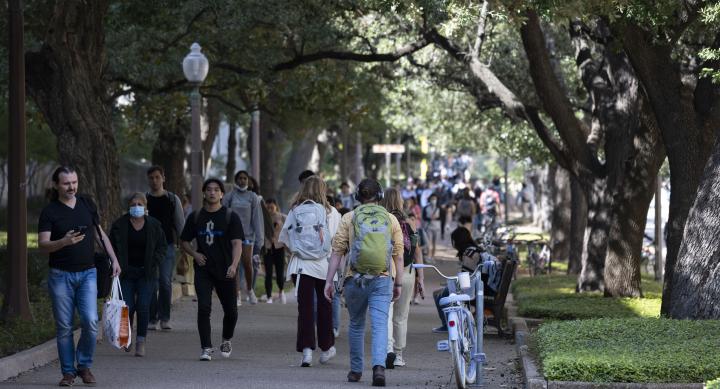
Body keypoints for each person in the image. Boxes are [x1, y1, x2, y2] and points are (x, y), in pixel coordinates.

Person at [38, 166, 121, 386]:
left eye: (74, 182)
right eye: (66, 183)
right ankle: (68, 373)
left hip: (87, 273)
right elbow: (43, 245)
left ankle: (84, 366)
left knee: (91, 321)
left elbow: (99, 233)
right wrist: (63, 242)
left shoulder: (86, 203)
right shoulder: (50, 212)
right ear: (56, 185)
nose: (71, 187)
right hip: (60, 276)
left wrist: (114, 259)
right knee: (64, 326)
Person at [324, 178, 404, 387]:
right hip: (383, 278)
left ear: (358, 197)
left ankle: (356, 370)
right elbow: (398, 255)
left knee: (357, 324)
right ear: (379, 197)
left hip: (354, 278)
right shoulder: (390, 219)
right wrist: (399, 284)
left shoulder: (349, 218)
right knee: (379, 326)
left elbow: (337, 250)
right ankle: (379, 368)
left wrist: (329, 281)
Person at [180, 178, 244, 361]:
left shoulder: (230, 216)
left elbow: (237, 243)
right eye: (209, 189)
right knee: (204, 307)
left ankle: (226, 339)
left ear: (222, 194)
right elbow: (184, 240)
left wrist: (233, 264)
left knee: (231, 311)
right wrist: (195, 254)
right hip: (204, 269)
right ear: (204, 193)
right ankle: (206, 348)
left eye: (216, 190)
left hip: (225, 269)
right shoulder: (196, 216)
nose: (212, 192)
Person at [280, 176, 341, 367]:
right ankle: (326, 347)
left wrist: (299, 250)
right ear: (323, 190)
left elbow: (284, 237)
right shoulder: (331, 212)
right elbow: (337, 241)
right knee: (325, 307)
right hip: (325, 266)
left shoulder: (295, 210)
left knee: (305, 309)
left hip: (301, 265)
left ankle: (306, 351)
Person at [109, 193, 167, 357]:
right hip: (126, 272)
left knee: (143, 306)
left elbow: (162, 247)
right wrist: (114, 264)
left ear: (145, 206)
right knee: (127, 307)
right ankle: (126, 337)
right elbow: (111, 246)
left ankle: (141, 341)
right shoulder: (119, 225)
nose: (136, 207)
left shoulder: (154, 225)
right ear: (129, 206)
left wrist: (155, 261)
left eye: (140, 204)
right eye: (133, 204)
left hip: (146, 272)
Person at [381, 189, 424, 369]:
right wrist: (420, 278)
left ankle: (387, 350)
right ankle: (398, 354)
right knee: (401, 316)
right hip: (406, 272)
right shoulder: (410, 223)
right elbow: (417, 251)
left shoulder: (381, 221)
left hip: (385, 272)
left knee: (385, 314)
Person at [432, 226, 501, 333]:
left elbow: (466, 277)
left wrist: (452, 284)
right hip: (484, 287)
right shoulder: (473, 250)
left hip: (478, 289)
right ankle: (451, 323)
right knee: (443, 291)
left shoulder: (469, 253)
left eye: (453, 241)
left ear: (457, 241)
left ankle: (447, 326)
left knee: (438, 295)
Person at [145, 166, 185, 331]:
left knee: (165, 282)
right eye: (151, 178)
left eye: (157, 177)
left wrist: (184, 246)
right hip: (148, 247)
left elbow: (180, 224)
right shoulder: (145, 198)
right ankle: (152, 318)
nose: (154, 181)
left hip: (167, 245)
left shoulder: (172, 199)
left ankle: (165, 318)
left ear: (163, 178)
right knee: (152, 282)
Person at [223, 170, 262, 305]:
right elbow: (223, 214)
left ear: (248, 181)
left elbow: (257, 219)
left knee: (247, 263)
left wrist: (259, 241)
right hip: (232, 235)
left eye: (245, 178)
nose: (242, 180)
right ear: (236, 180)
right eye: (240, 178)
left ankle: (250, 290)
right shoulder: (229, 196)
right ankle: (237, 294)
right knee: (235, 263)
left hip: (248, 235)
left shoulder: (253, 197)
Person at [263, 198, 287, 304]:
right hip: (267, 248)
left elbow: (288, 230)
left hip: (279, 248)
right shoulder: (263, 218)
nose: (270, 209)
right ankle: (269, 296)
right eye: (267, 207)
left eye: (271, 207)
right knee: (268, 273)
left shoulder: (282, 217)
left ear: (276, 206)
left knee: (279, 273)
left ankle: (281, 291)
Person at [422, 193, 440, 259]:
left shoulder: (438, 208)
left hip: (436, 227)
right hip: (428, 227)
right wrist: (430, 218)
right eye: (432, 199)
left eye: (435, 199)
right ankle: (428, 256)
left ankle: (433, 256)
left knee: (435, 243)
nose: (433, 200)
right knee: (428, 242)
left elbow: (441, 218)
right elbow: (424, 217)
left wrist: (436, 218)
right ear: (429, 199)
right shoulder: (426, 208)